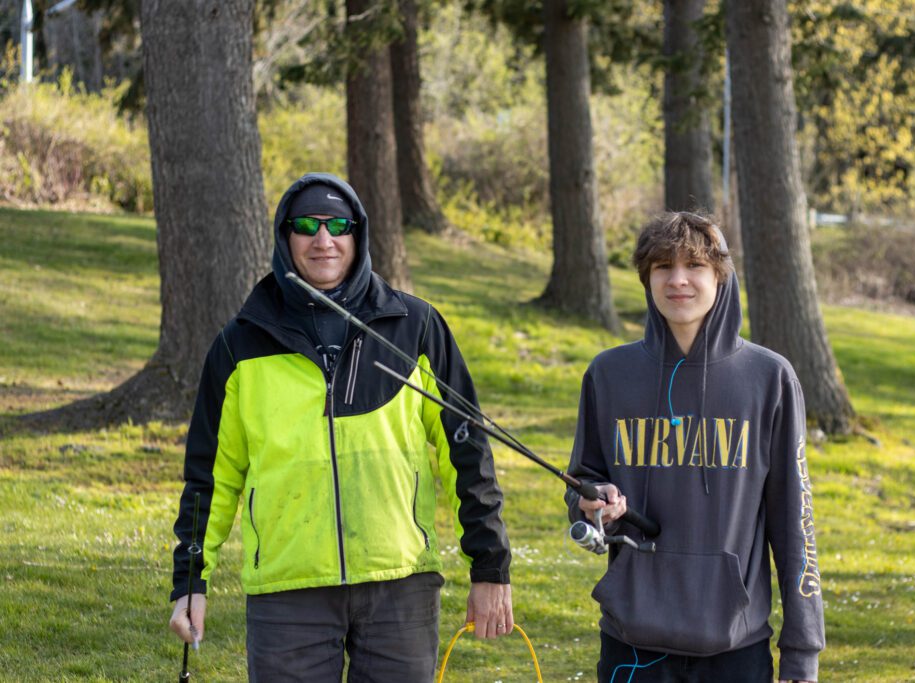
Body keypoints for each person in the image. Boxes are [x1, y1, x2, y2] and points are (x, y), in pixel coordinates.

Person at [168, 173, 514, 682]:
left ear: (359, 235)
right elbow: (209, 477)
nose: (323, 240)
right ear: (285, 236)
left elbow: (468, 452)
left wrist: (490, 565)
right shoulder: (238, 344)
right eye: (306, 225)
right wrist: (190, 581)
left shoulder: (415, 327)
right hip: (288, 589)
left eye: (338, 226)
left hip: (399, 584)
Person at [565, 211, 824, 682]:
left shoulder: (769, 379)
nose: (678, 279)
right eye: (663, 266)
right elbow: (580, 482)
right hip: (631, 645)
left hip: (735, 649)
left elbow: (796, 526)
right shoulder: (608, 375)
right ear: (647, 278)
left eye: (695, 266)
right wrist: (591, 502)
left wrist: (802, 653)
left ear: (720, 277)